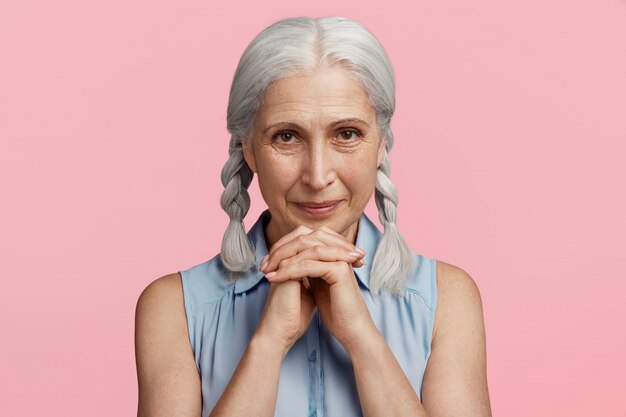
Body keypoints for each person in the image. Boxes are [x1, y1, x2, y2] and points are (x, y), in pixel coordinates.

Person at [135, 16, 492, 417]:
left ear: (381, 143)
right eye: (286, 136)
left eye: (347, 134)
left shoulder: (446, 299)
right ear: (248, 148)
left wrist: (361, 337)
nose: (318, 176)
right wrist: (268, 343)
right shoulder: (174, 308)